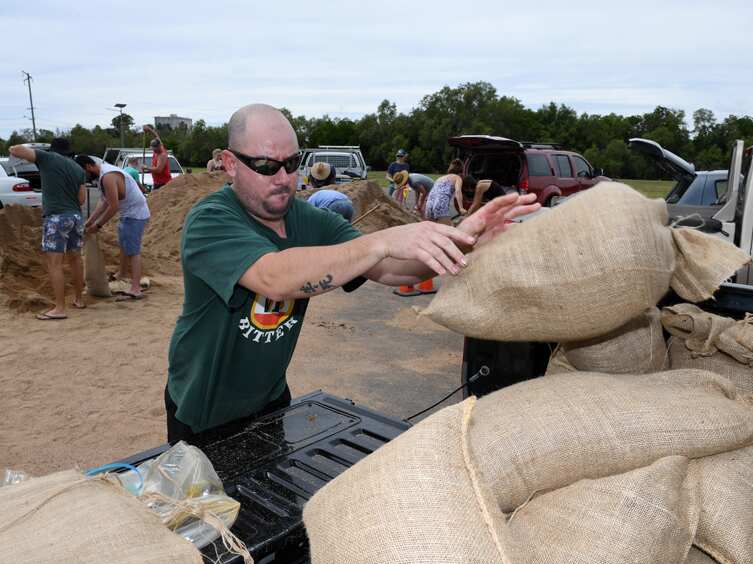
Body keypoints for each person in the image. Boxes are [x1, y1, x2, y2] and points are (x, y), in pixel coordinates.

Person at [165, 103, 538, 443]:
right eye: (266, 166)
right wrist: (382, 240)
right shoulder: (211, 219)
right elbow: (272, 279)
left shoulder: (307, 218)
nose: (283, 178)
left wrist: (466, 238)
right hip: (204, 409)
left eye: (292, 164)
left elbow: (392, 270)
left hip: (270, 398)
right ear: (230, 164)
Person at [9, 138, 87, 320]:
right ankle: (79, 299)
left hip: (56, 217)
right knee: (76, 259)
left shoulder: (48, 158)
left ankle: (59, 308)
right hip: (75, 217)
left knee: (55, 264)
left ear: (53, 150)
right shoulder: (78, 168)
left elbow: (15, 149)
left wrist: (29, 146)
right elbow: (82, 199)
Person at [76, 155, 151, 300]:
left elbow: (113, 206)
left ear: (88, 167)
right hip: (128, 213)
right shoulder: (103, 175)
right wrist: (89, 222)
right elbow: (103, 202)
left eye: (83, 173)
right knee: (124, 244)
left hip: (135, 214)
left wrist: (97, 225)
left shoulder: (108, 177)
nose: (84, 177)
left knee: (133, 251)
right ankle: (121, 274)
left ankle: (136, 289)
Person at [424, 159, 466, 224]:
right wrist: (461, 208)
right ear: (461, 171)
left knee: (432, 231)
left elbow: (433, 192)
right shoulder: (457, 177)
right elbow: (458, 191)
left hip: (429, 204)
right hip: (440, 204)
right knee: (448, 231)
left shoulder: (440, 178)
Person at [141, 125, 171, 189]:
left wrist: (146, 167)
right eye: (152, 148)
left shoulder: (162, 155)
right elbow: (157, 137)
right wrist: (149, 129)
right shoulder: (157, 150)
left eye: (154, 148)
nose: (153, 150)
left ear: (158, 146)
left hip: (163, 184)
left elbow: (158, 170)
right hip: (157, 182)